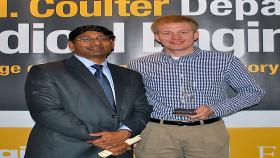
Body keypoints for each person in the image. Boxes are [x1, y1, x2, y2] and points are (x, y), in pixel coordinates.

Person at [128, 15, 265, 158]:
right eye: (167, 33)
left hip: (207, 132)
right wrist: (133, 131)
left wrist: (214, 109)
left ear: (196, 35)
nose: (176, 37)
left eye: (183, 32)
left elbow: (253, 92)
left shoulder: (225, 61)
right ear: (157, 37)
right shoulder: (139, 65)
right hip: (156, 132)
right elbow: (132, 101)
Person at [24, 25, 152, 158]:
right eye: (86, 39)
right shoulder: (47, 72)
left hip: (119, 150)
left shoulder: (130, 75)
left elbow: (142, 109)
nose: (96, 42)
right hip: (65, 150)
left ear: (112, 44)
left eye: (103, 38)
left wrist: (124, 133)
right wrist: (108, 140)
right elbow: (47, 112)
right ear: (71, 45)